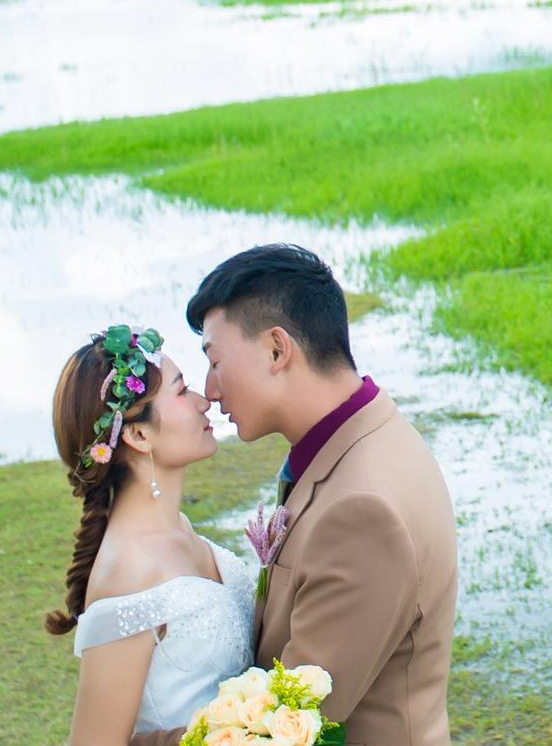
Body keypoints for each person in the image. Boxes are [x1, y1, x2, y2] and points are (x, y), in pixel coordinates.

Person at [56, 244, 459, 745]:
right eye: (186, 387)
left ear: (276, 349)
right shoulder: (369, 437)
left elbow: (288, 724)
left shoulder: (363, 508)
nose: (210, 392)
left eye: (215, 361)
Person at [48, 325, 254, 743]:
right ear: (139, 435)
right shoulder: (128, 572)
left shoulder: (180, 528)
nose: (204, 402)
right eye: (182, 392)